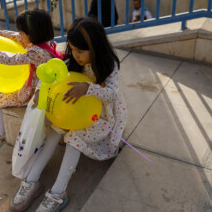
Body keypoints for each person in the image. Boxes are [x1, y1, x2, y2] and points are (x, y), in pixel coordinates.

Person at [9, 17, 127, 212]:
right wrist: (41, 90)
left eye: (80, 51)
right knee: (54, 133)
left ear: (95, 47)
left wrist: (88, 89)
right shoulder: (72, 60)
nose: (75, 54)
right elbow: (50, 74)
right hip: (69, 110)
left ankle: (58, 193)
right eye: (72, 49)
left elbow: (112, 95)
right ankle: (31, 181)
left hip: (99, 116)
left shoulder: (109, 66)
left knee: (73, 140)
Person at [0, 9, 63, 150]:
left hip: (34, 93)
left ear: (32, 34)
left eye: (22, 32)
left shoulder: (37, 53)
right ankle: (1, 133)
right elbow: (16, 37)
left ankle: (1, 135)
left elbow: (13, 59)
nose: (20, 35)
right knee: (1, 100)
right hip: (41, 86)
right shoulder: (42, 43)